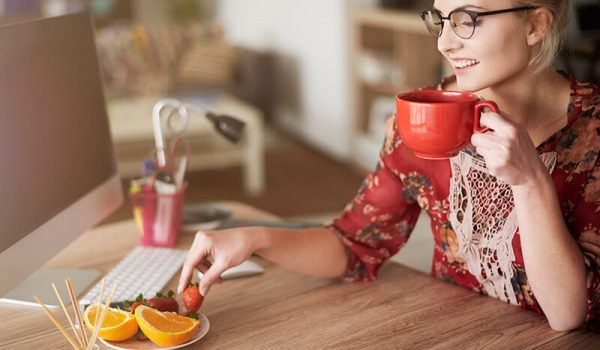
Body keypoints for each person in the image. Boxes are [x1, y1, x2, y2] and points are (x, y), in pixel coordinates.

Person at [178, 0, 600, 332]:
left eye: (468, 19)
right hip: (456, 336)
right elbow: (355, 244)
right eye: (441, 20)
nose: (445, 43)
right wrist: (254, 239)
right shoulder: (425, 115)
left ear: (536, 25)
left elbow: (568, 316)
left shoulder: (593, 130)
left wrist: (529, 183)